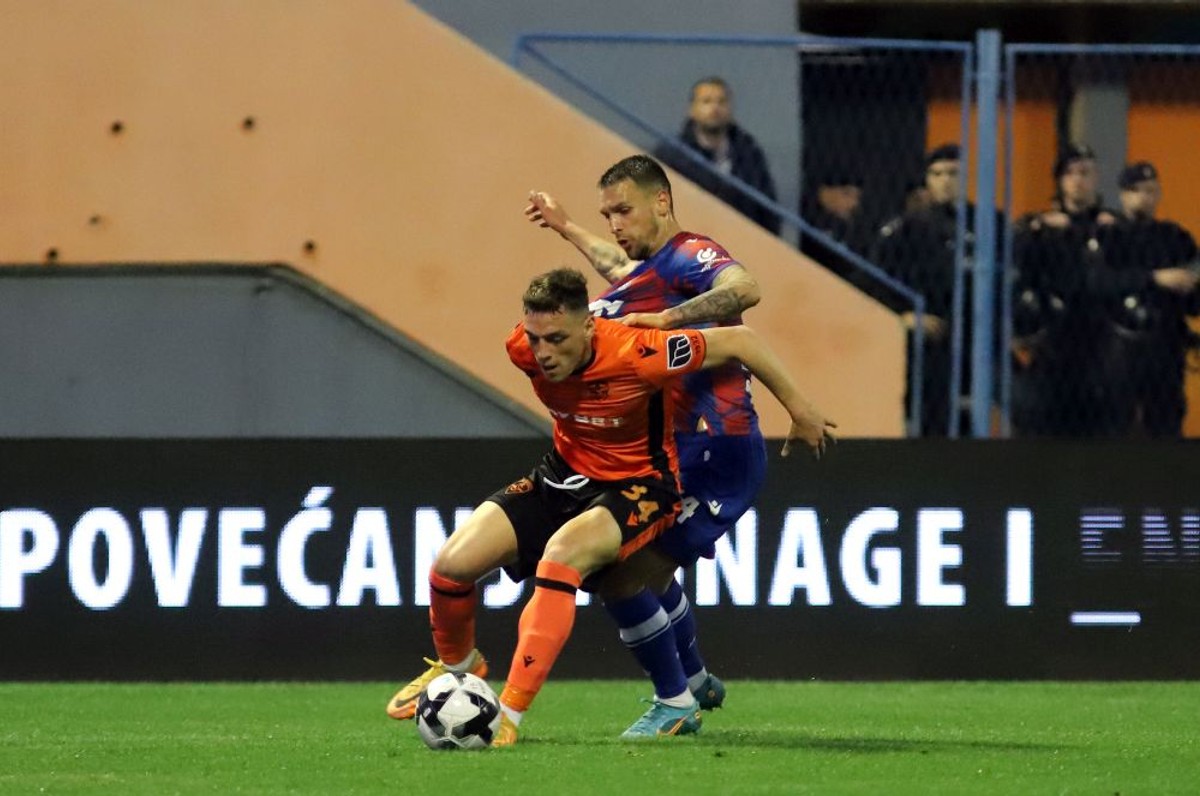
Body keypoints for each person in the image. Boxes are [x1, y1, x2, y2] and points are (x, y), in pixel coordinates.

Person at [384, 268, 834, 746]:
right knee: (449, 568)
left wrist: (799, 407)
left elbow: (742, 340)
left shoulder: (638, 353)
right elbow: (539, 352)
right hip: (561, 475)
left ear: (588, 327)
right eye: (536, 339)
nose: (544, 352)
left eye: (557, 338)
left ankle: (508, 714)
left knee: (561, 559)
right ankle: (458, 671)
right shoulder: (520, 349)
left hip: (639, 485)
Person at [524, 153, 770, 736]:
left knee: (621, 572)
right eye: (606, 214)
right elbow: (618, 267)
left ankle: (677, 702)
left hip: (719, 451)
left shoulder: (690, 253)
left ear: (661, 202)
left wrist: (672, 322)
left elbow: (745, 288)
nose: (613, 224)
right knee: (646, 574)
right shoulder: (652, 268)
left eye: (623, 211)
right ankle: (694, 679)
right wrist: (565, 227)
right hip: (679, 449)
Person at [871, 143, 998, 436]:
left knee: (975, 417)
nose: (945, 180)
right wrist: (902, 315)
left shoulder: (988, 224)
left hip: (974, 332)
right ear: (927, 179)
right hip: (930, 335)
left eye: (953, 173)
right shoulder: (906, 228)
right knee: (928, 414)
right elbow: (877, 280)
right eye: (937, 173)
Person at [1010, 143, 1124, 437]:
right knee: (1045, 424)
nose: (1078, 180)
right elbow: (1017, 270)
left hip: (1101, 340)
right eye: (1071, 173)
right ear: (1060, 181)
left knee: (1103, 427)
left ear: (1096, 178)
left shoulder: (1112, 226)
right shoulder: (1039, 227)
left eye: (1085, 173)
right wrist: (1035, 227)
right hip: (1053, 339)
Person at [1096, 161, 1199, 436]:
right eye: (1137, 190)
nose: (1145, 197)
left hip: (1165, 343)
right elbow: (1099, 283)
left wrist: (1188, 286)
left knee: (1166, 422)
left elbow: (1194, 299)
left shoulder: (1175, 237)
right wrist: (1154, 278)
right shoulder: (1109, 235)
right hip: (1118, 345)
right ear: (1123, 195)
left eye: (1151, 190)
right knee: (1115, 423)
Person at [653, 76, 781, 234]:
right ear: (692, 110)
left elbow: (766, 203)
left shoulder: (749, 152)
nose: (715, 108)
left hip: (741, 237)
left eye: (721, 102)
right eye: (706, 102)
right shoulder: (673, 154)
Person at [800, 168, 872, 256]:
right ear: (826, 190)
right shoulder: (800, 202)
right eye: (847, 194)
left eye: (856, 198)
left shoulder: (841, 224)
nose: (853, 204)